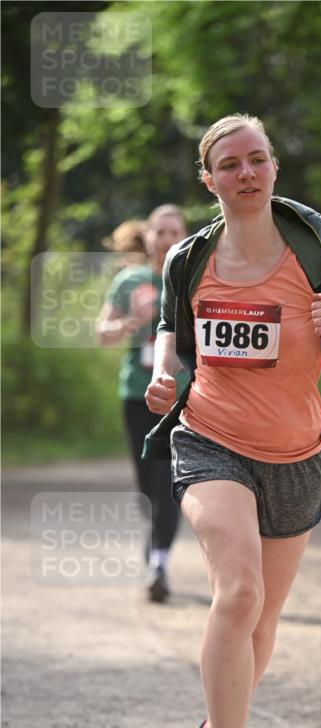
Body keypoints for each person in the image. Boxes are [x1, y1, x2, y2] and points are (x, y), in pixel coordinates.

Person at [143, 113, 321, 728]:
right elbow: (170, 333)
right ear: (208, 180)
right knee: (237, 593)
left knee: (264, 618)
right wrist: (162, 375)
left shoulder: (315, 244)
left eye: (258, 160)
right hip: (210, 439)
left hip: (296, 454)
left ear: (272, 167)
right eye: (231, 164)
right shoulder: (190, 257)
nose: (247, 174)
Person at [97, 206, 189, 602]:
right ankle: (157, 549)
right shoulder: (130, 280)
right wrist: (133, 320)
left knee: (169, 481)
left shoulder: (192, 279)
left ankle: (159, 562)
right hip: (137, 393)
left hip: (184, 396)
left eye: (175, 232)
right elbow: (103, 333)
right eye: (160, 232)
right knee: (148, 487)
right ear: (147, 237)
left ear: (184, 238)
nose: (167, 239)